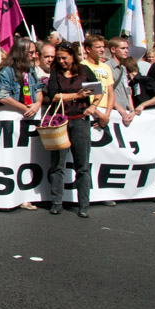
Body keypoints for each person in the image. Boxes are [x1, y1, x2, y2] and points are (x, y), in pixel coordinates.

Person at [45, 42, 102, 218]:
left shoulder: (85, 71)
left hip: (80, 121)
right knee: (58, 164)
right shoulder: (55, 73)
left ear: (72, 57)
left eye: (65, 58)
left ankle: (84, 203)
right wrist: (75, 96)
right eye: (59, 58)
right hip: (61, 122)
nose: (61, 61)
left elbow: (98, 92)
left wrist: (93, 107)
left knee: (82, 165)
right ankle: (56, 202)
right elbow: (54, 96)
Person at [0, 38, 44, 118]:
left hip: (30, 115)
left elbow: (38, 89)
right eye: (31, 53)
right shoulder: (6, 72)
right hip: (13, 116)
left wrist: (37, 104)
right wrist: (24, 108)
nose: (34, 56)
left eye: (35, 52)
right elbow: (3, 97)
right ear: (21, 53)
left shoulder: (30, 70)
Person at [81, 34, 115, 129]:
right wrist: (99, 114)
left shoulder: (106, 67)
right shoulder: (82, 66)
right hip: (90, 110)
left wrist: (106, 115)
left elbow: (111, 93)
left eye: (103, 47)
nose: (102, 50)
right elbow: (83, 94)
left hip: (105, 111)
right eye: (98, 47)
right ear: (88, 49)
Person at [106, 37, 134, 124]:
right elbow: (106, 93)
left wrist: (132, 109)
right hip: (114, 112)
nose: (126, 51)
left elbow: (127, 90)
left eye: (127, 48)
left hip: (127, 110)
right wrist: (121, 110)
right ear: (113, 49)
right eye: (123, 48)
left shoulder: (123, 68)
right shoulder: (106, 67)